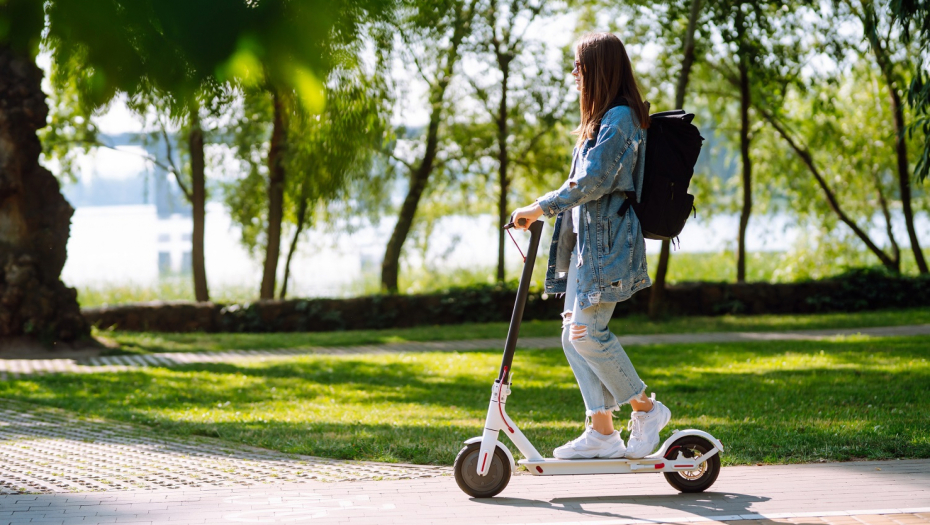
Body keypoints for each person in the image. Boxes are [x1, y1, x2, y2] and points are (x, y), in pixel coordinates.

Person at [509, 32, 670, 460]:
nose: (574, 75)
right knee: (571, 336)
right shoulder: (600, 120)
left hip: (610, 246)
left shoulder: (620, 119)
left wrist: (538, 206)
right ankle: (602, 432)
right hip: (585, 248)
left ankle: (647, 409)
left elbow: (592, 182)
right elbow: (581, 187)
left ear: (599, 68)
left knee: (587, 335)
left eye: (579, 66)